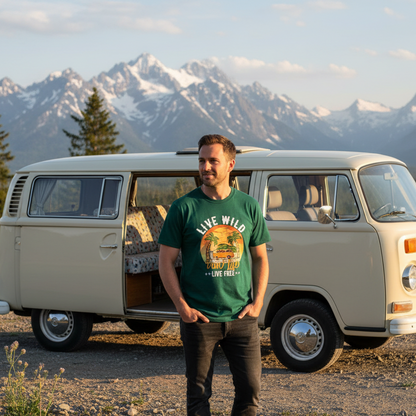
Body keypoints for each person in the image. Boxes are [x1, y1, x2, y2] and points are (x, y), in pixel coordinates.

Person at [158, 134, 270, 416]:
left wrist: (257, 303)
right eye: (201, 160)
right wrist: (182, 307)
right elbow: (165, 262)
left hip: (242, 318)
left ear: (230, 165)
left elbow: (260, 258)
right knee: (198, 395)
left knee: (250, 392)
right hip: (200, 318)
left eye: (212, 161)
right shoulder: (183, 208)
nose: (205, 167)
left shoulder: (248, 206)